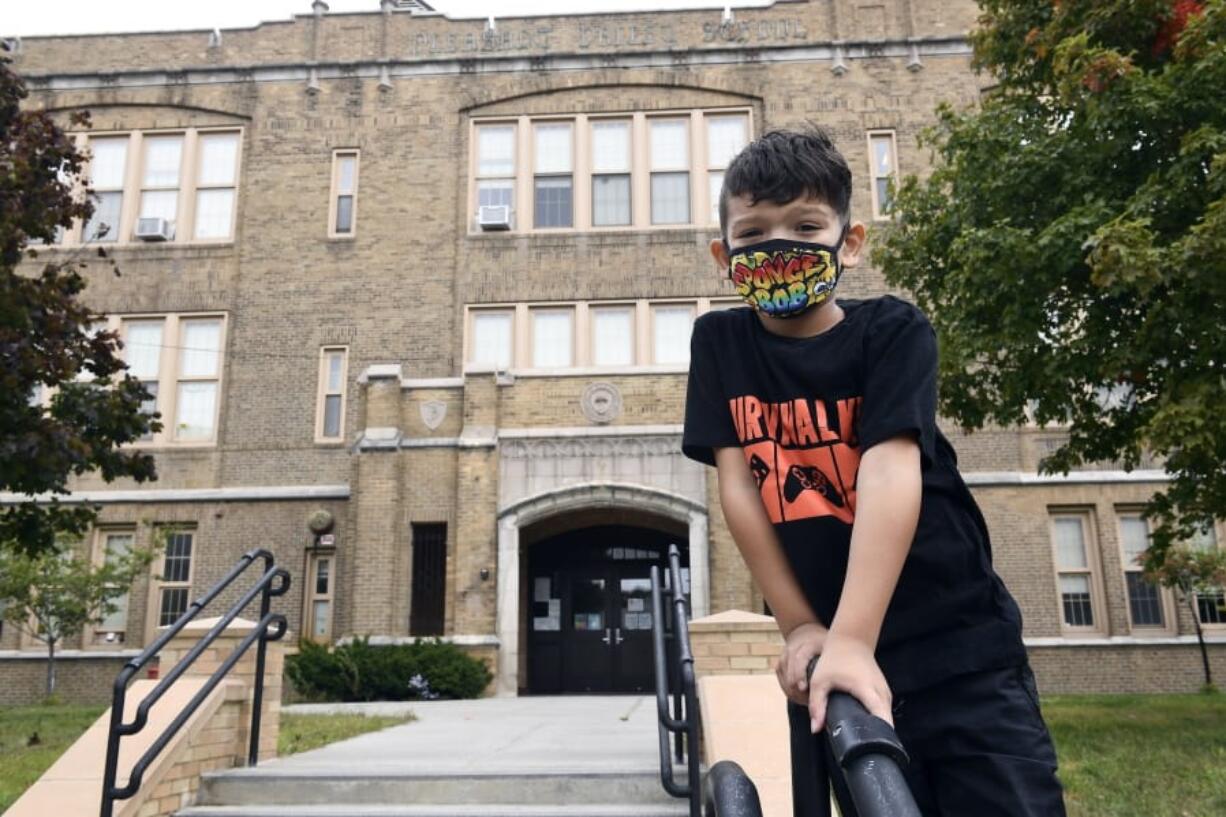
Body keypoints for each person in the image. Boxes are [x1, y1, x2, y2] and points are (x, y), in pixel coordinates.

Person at [681, 127, 1066, 817]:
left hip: (958, 645)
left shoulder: (893, 330)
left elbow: (890, 475)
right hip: (837, 653)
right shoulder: (720, 343)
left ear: (849, 242)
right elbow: (739, 487)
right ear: (723, 254)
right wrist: (801, 625)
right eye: (755, 231)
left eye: (804, 226)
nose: (778, 247)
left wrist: (854, 636)